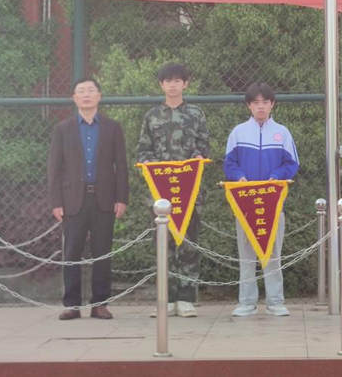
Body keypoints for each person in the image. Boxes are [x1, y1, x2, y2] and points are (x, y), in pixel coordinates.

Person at [48, 77, 129, 320]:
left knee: (102, 252)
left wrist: (122, 198)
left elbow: (121, 166)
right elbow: (55, 168)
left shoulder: (113, 128)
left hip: (104, 198)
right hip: (73, 200)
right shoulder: (63, 129)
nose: (86, 95)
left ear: (99, 96)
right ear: (74, 98)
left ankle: (100, 304)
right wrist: (56, 202)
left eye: (91, 90)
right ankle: (72, 304)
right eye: (81, 91)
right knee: (72, 251)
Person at [136, 63, 210, 318]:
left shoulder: (196, 114)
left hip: (189, 192)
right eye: (168, 81)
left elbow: (204, 146)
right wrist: (149, 163)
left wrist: (198, 157)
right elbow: (143, 150)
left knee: (188, 244)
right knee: (163, 245)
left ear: (185, 84)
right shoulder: (152, 116)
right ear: (161, 85)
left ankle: (187, 299)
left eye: (178, 80)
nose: (173, 85)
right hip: (161, 193)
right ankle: (165, 298)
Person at [223, 82, 299, 317]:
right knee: (246, 255)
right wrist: (239, 177)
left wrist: (276, 176)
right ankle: (247, 302)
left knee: (273, 254)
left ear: (272, 104)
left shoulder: (282, 132)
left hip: (273, 204)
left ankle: (275, 301)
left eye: (265, 102)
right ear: (249, 105)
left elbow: (292, 164)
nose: (261, 107)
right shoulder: (238, 132)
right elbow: (229, 164)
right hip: (245, 204)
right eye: (256, 102)